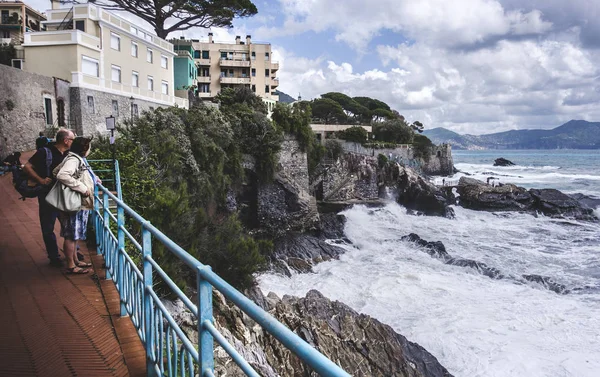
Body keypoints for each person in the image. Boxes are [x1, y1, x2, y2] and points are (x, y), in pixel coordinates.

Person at [23, 128, 74, 266]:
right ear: (65, 140)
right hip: (47, 195)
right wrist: (40, 180)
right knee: (48, 227)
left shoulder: (69, 153)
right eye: (72, 139)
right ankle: (54, 257)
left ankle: (73, 254)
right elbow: (26, 167)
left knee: (69, 226)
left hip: (64, 196)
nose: (73, 142)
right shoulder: (45, 152)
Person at [53, 136, 95, 274]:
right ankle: (71, 265)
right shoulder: (73, 160)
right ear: (84, 148)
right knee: (71, 235)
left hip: (75, 202)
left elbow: (55, 172)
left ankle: (75, 260)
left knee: (74, 234)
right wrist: (82, 188)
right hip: (74, 203)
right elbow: (62, 175)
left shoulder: (73, 158)